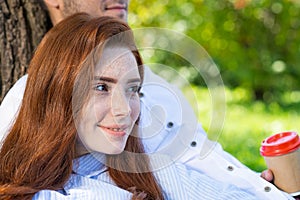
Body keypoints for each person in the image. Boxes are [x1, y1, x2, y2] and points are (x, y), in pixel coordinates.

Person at [0, 0, 293, 199]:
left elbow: (207, 168)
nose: (126, 110)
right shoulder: (26, 99)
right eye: (101, 87)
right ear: (55, 95)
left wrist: (257, 186)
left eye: (133, 90)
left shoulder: (152, 165)